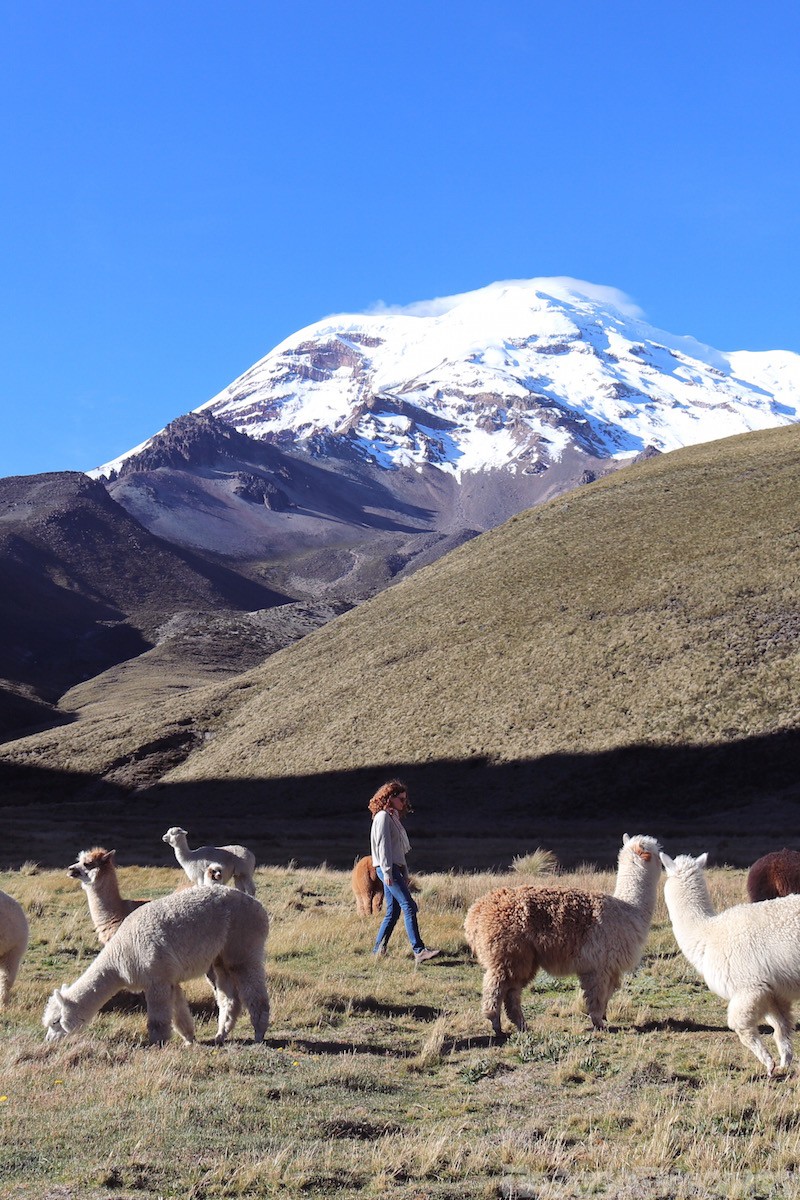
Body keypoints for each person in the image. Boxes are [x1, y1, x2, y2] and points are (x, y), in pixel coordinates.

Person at [368, 779, 440, 963]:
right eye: (401, 799)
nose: (403, 803)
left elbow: (398, 849)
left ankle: (378, 950)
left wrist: (404, 872)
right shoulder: (383, 817)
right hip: (388, 868)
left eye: (404, 799)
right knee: (409, 906)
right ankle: (419, 950)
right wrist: (387, 873)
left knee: (393, 911)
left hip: (394, 868)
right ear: (390, 798)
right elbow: (383, 848)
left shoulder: (392, 817)